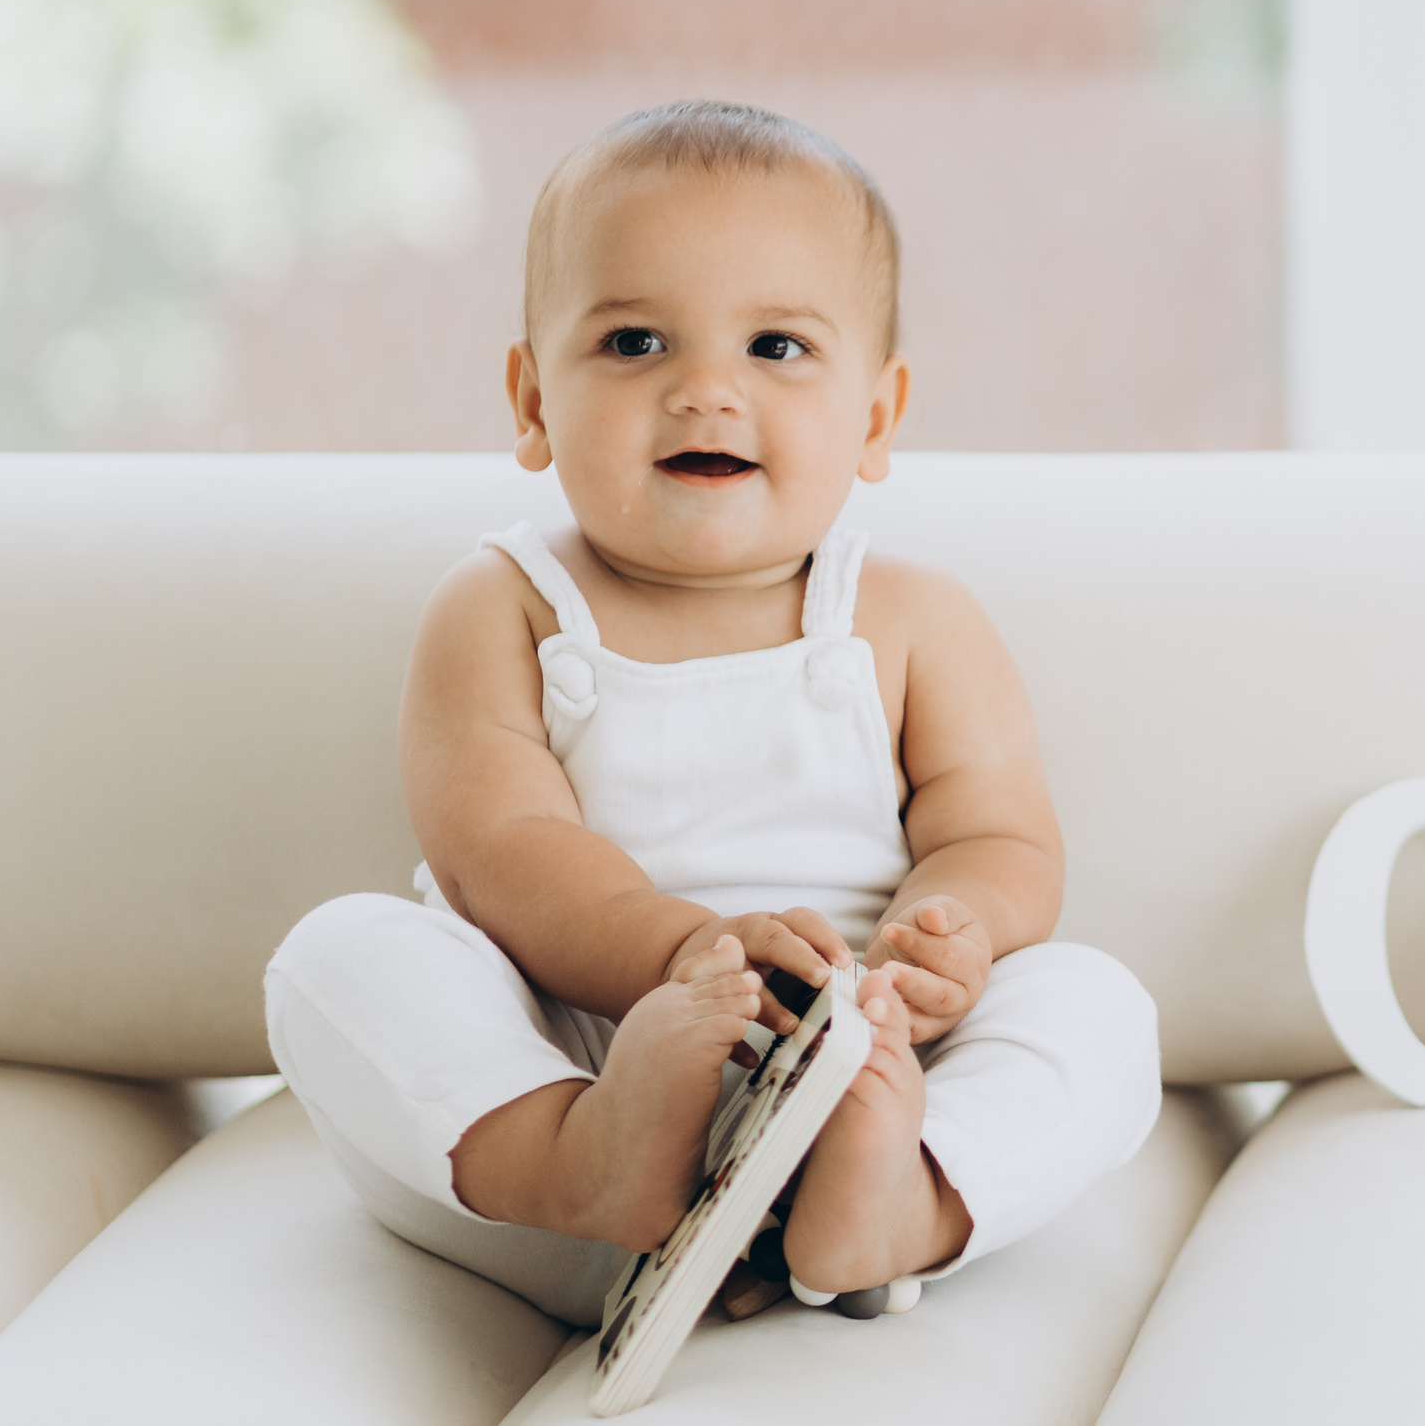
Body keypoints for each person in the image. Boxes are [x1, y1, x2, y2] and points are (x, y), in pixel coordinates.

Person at [264, 100, 1162, 1325]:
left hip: (868, 1063)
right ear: (531, 400)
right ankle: (596, 1171)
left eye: (776, 349)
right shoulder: (507, 609)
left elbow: (1002, 836)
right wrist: (680, 959)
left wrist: (949, 936)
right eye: (634, 342)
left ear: (879, 416)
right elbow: (497, 854)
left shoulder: (911, 619)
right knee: (336, 958)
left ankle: (898, 1201)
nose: (704, 393)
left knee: (1099, 1005)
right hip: (578, 1060)